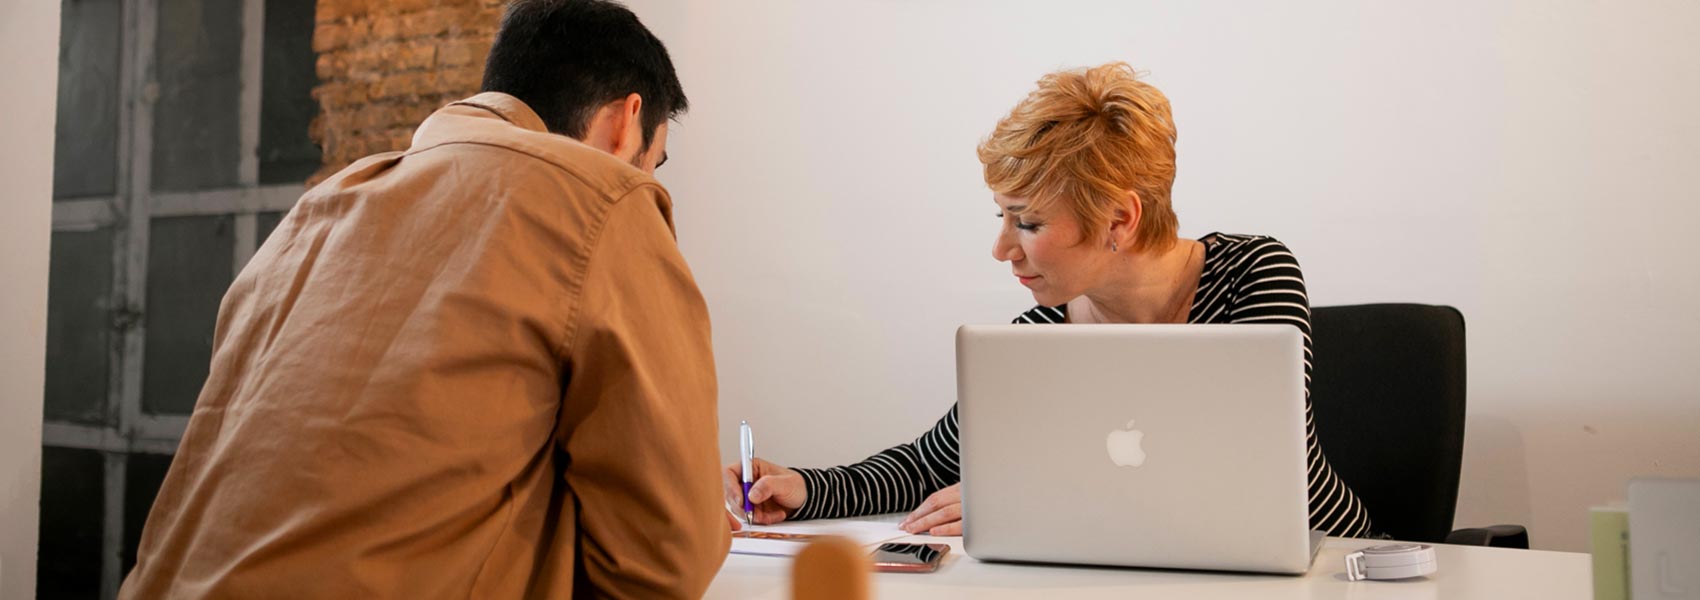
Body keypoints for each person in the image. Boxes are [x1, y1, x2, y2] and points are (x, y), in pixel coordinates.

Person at [120, 1, 729, 597]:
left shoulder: (318, 211)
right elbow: (667, 559)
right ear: (626, 121)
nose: (648, 178)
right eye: (656, 162)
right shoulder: (604, 199)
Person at [724, 62, 1375, 539]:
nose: (1002, 247)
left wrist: (1018, 503)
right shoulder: (1038, 334)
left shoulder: (1254, 273)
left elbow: (1242, 469)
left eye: (1027, 223)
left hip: (1333, 564)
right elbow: (932, 463)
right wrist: (808, 489)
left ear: (1119, 220)